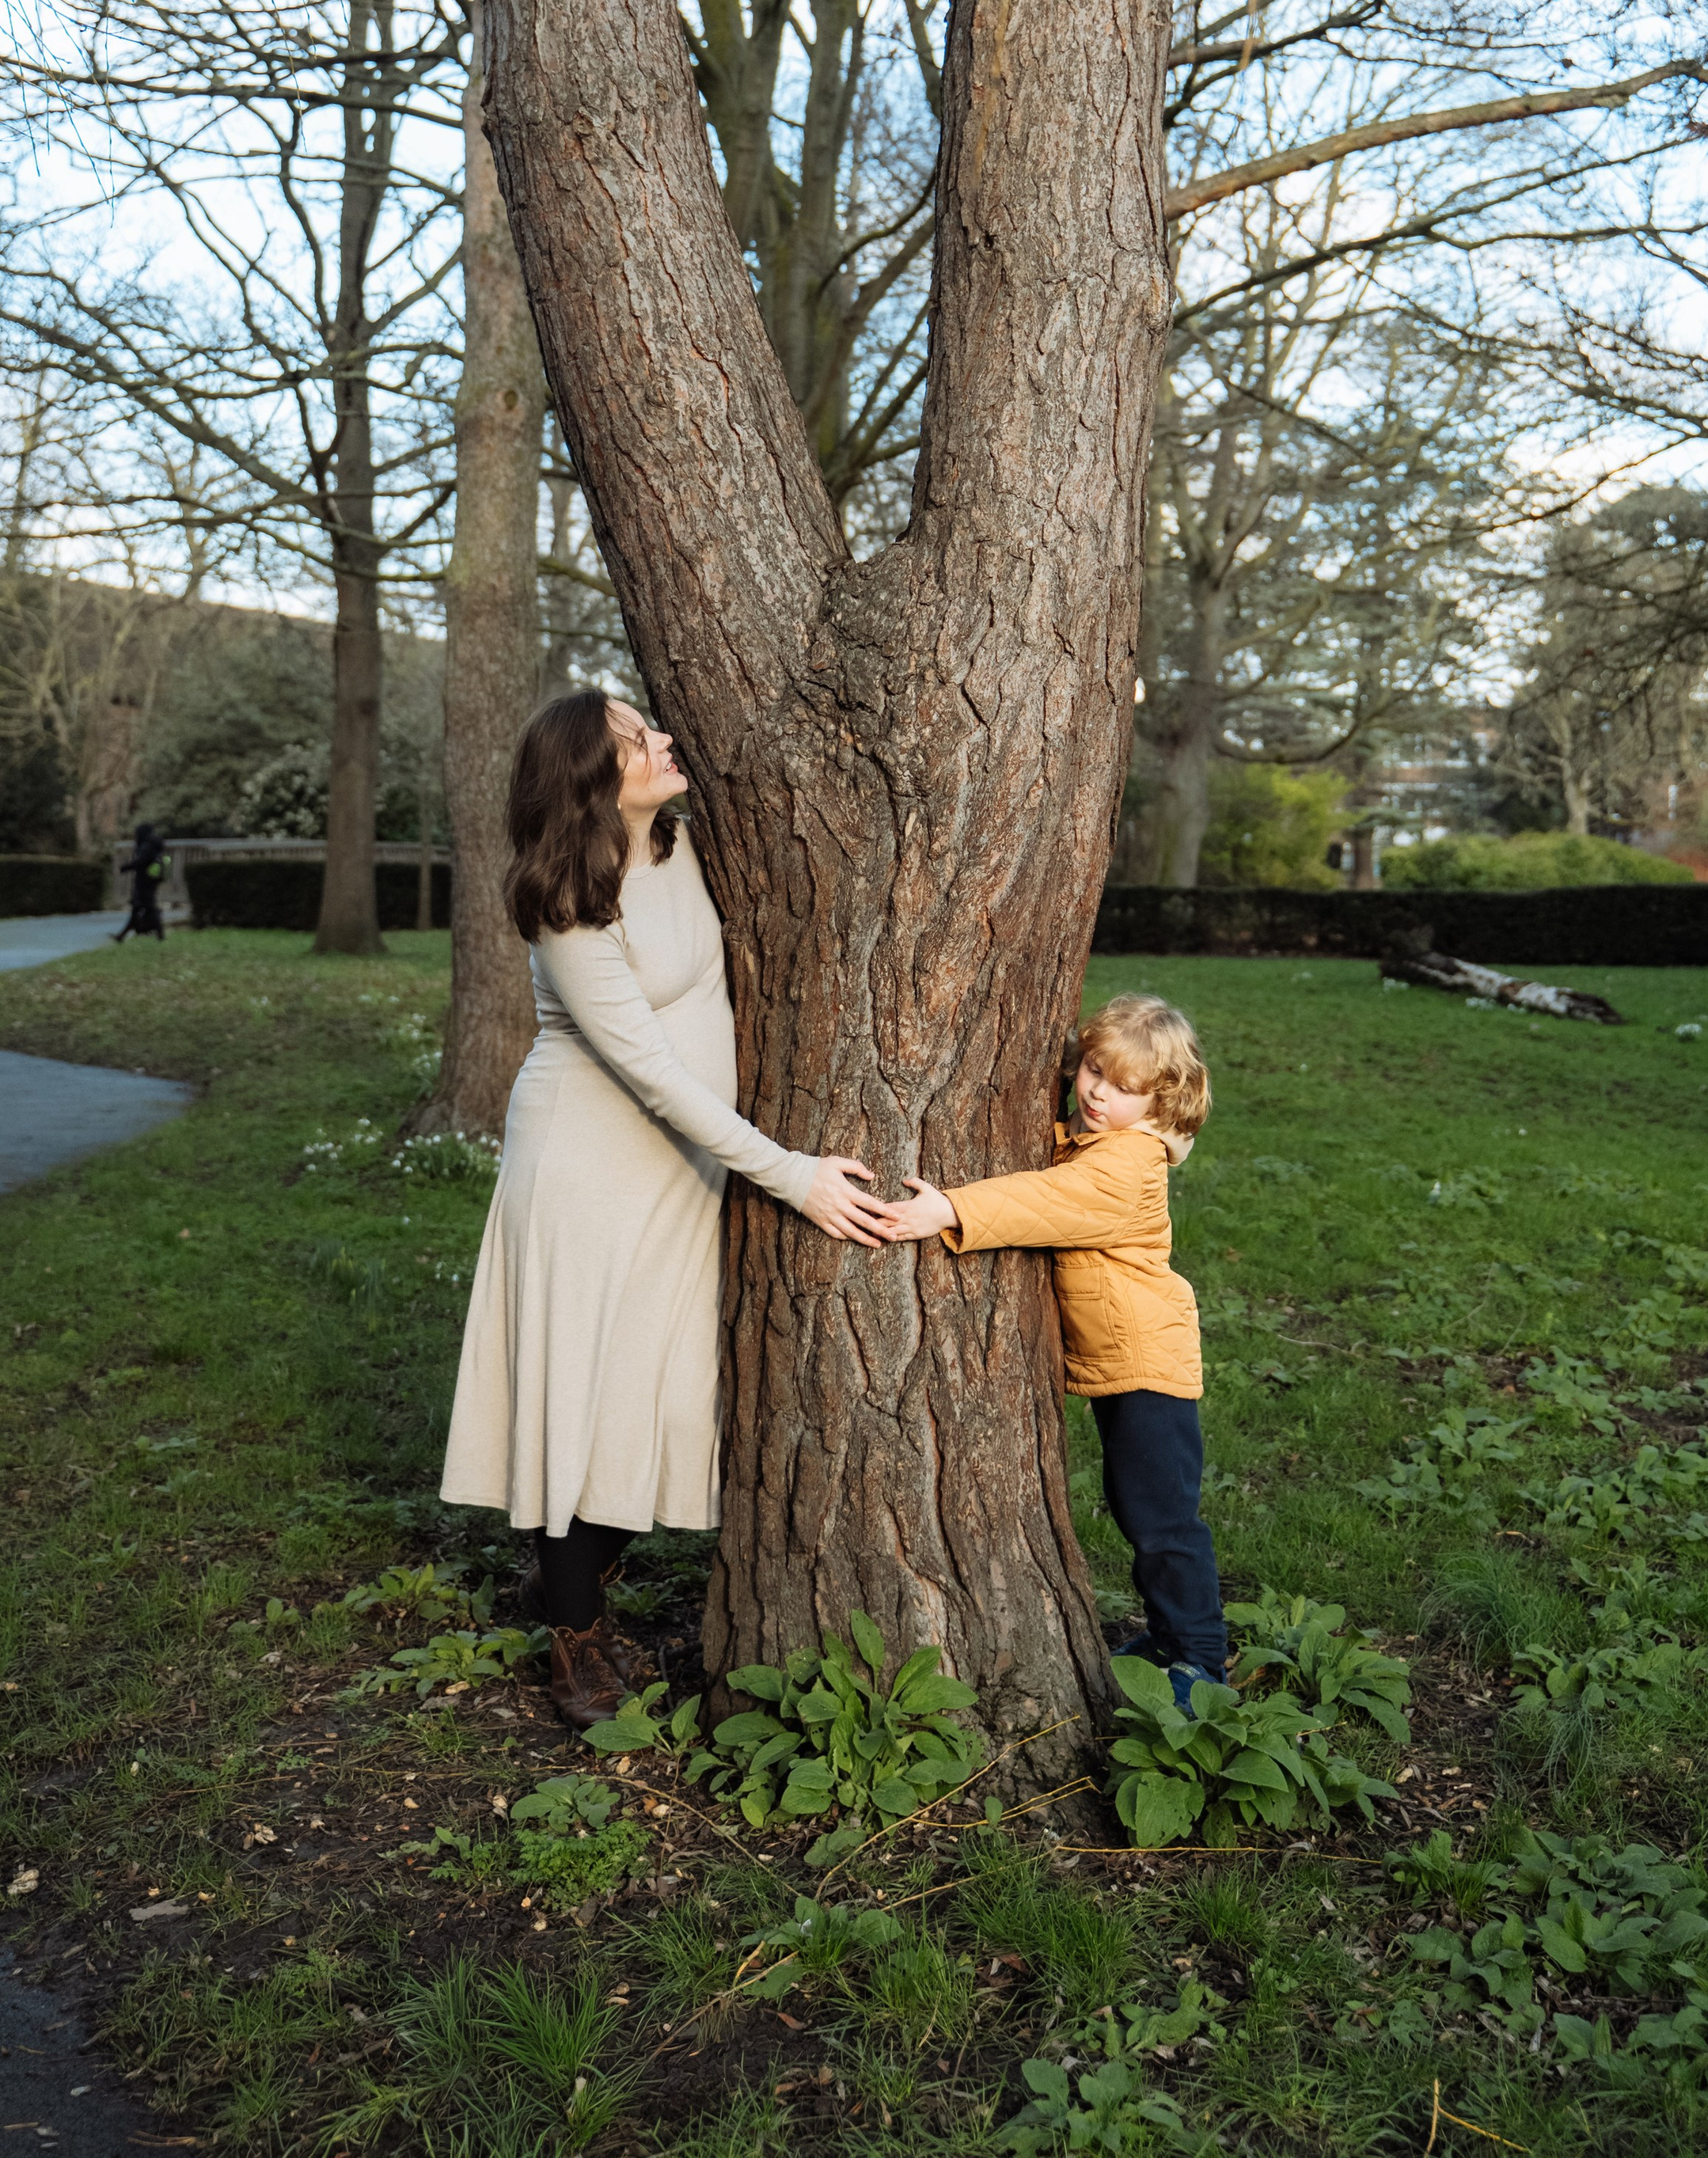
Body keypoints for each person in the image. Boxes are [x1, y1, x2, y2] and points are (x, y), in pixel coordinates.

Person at [440, 690, 898, 1726]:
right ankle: (573, 1634)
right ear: (588, 783)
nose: (662, 740)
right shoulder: (567, 904)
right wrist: (791, 1174)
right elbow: (650, 1074)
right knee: (583, 1392)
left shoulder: (684, 844)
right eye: (634, 741)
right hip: (588, 1168)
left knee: (674, 1394)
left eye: (647, 725)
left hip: (679, 1169)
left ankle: (564, 1582)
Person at [881, 992, 1224, 1705]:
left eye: (1124, 1088)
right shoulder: (1100, 1139)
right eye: (1094, 1070)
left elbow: (1048, 1201)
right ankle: (1168, 1638)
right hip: (1128, 1359)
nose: (1098, 1093)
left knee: (1162, 1518)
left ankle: (1201, 1660)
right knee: (1137, 1506)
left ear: (1160, 1102)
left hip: (1147, 1364)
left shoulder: (1128, 1162)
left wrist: (951, 1206)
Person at [114, 821, 169, 943]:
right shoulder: (155, 845)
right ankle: (122, 935)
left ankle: (160, 933)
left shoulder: (147, 845)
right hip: (151, 880)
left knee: (148, 906)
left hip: (145, 881)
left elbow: (141, 861)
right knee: (137, 907)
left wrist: (125, 867)